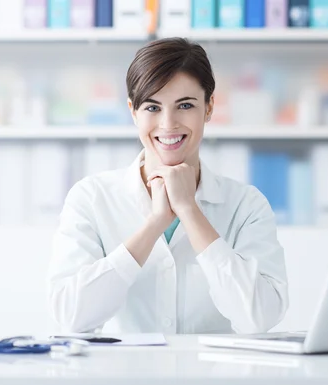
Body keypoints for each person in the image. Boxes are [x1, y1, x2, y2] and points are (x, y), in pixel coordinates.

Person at [47, 37, 288, 335]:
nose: (168, 123)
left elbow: (259, 318)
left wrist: (189, 211)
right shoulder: (91, 198)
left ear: (209, 107)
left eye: (185, 105)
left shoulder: (246, 205)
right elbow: (71, 315)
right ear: (133, 112)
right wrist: (154, 224)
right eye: (152, 108)